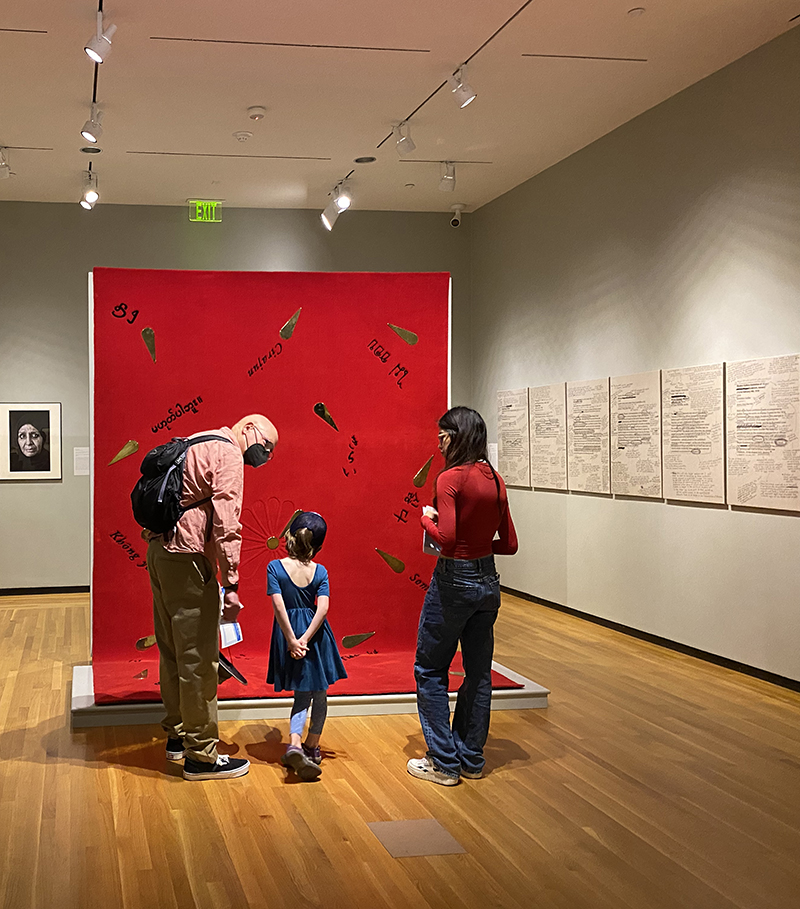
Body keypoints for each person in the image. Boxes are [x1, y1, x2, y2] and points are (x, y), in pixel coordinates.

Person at [145, 414, 278, 781]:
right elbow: (227, 523)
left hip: (159, 553)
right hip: (189, 559)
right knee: (199, 660)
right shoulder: (230, 455)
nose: (265, 456)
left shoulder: (196, 441)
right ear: (249, 428)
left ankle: (177, 737)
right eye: (266, 446)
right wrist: (232, 582)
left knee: (171, 651)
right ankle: (201, 757)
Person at [409, 406, 518, 786]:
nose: (438, 443)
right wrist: (478, 547)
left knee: (430, 668)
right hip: (488, 580)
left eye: (442, 436)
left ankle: (443, 762)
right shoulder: (496, 480)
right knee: (478, 673)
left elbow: (447, 541)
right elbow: (510, 544)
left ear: (456, 436)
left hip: (453, 581)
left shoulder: (449, 479)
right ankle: (471, 758)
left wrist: (426, 519)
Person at [266, 511, 347, 782]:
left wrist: (291, 639)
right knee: (320, 694)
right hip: (317, 637)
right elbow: (322, 608)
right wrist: (306, 639)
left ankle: (294, 744)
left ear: (289, 537)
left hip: (290, 631)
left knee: (301, 695)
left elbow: (278, 605)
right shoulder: (320, 571)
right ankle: (313, 747)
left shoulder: (275, 568)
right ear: (318, 546)